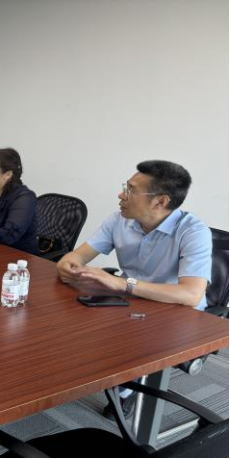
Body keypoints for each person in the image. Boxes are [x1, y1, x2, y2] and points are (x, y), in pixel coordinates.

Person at [57, 160, 212, 418]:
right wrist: (68, 264)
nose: (121, 195)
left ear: (160, 202)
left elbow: (191, 294)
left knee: (121, 341)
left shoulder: (194, 232)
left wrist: (122, 283)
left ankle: (128, 389)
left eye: (130, 190)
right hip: (132, 300)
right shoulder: (119, 219)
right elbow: (79, 255)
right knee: (69, 320)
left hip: (176, 313)